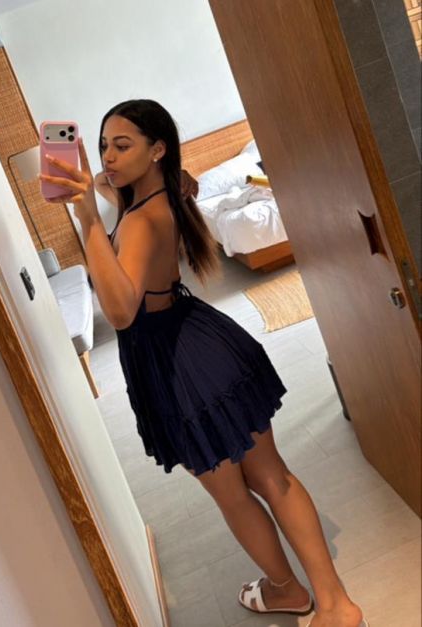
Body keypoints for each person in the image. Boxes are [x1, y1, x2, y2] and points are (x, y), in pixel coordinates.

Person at [39, 99, 367, 627]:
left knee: (233, 496)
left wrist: (87, 219)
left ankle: (286, 591)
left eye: (122, 145)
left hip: (174, 368)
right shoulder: (161, 195)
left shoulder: (139, 221)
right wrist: (107, 182)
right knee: (273, 476)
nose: (109, 157)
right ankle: (337, 604)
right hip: (205, 344)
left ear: (157, 149)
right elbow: (116, 183)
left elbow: (120, 313)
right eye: (103, 146)